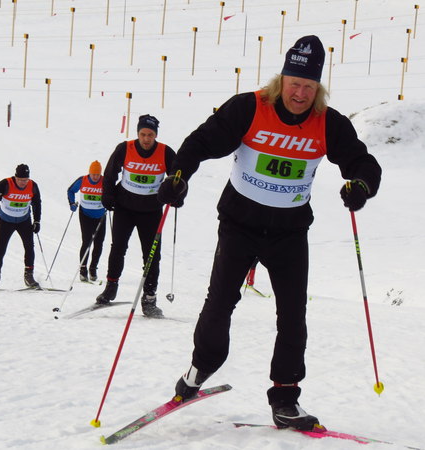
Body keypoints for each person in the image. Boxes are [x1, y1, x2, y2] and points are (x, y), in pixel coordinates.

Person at [157, 35, 382, 430]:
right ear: (282, 80)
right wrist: (178, 175)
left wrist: (361, 186)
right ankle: (199, 369)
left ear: (319, 88)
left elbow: (363, 163)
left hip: (289, 231)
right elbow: (200, 143)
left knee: (293, 314)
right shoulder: (249, 108)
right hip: (239, 224)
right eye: (295, 83)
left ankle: (285, 398)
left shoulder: (328, 122)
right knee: (220, 303)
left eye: (309, 87)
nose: (300, 94)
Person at [95, 114, 177, 318]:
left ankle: (149, 299)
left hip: (151, 211)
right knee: (118, 248)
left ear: (155, 135)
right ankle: (111, 287)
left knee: (152, 255)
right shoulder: (125, 148)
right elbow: (110, 173)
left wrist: (176, 195)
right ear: (138, 133)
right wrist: (107, 195)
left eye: (150, 135)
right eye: (143, 134)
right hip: (125, 207)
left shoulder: (165, 152)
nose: (146, 139)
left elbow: (178, 178)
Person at [0, 163, 42, 290]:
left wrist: (37, 221)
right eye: (20, 180)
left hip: (24, 221)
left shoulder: (32, 185)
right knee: (0, 249)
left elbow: (37, 203)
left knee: (29, 247)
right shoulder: (6, 183)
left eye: (25, 180)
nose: (23, 183)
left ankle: (29, 276)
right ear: (15, 177)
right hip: (6, 221)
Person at [66, 160, 106, 282]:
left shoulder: (105, 181)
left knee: (99, 243)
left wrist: (110, 202)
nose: (95, 177)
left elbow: (112, 193)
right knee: (87, 241)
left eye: (97, 174)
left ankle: (93, 268)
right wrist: (72, 203)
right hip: (85, 215)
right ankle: (83, 269)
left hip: (100, 216)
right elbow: (70, 190)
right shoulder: (82, 180)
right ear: (89, 173)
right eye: (93, 174)